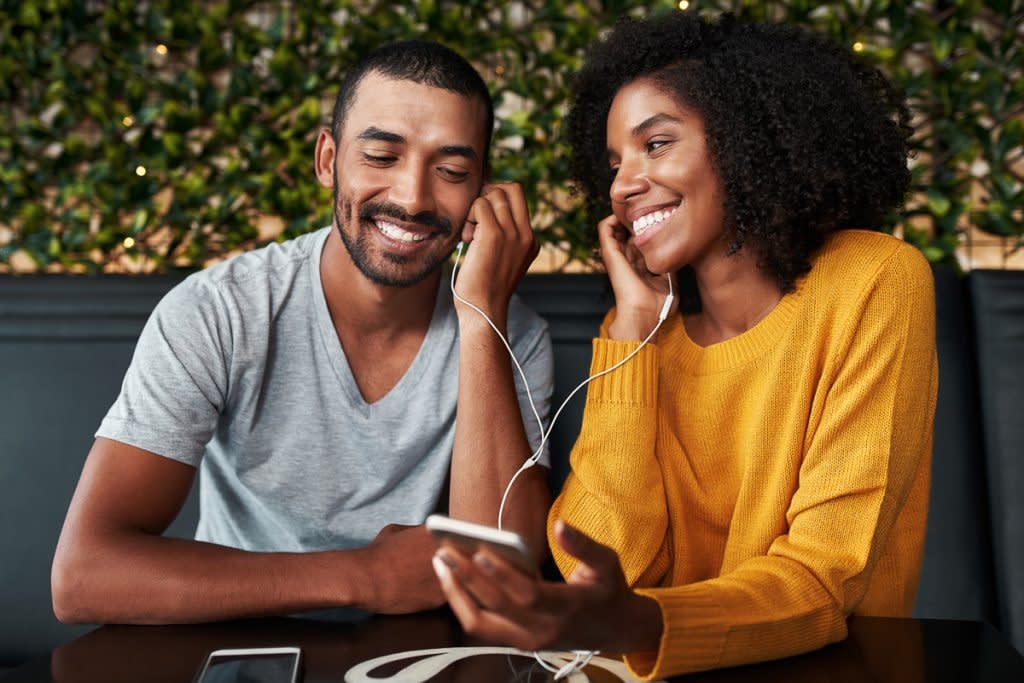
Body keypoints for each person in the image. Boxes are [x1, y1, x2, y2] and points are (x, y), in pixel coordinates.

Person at [433, 12, 937, 679]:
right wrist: (633, 329)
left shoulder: (876, 280)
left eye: (656, 144)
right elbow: (610, 565)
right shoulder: (644, 333)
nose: (623, 183)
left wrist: (642, 620)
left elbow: (824, 579)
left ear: (745, 139)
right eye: (614, 163)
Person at [51, 40, 554, 624]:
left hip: (409, 654)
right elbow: (84, 575)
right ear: (327, 161)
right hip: (238, 642)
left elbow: (505, 580)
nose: (413, 197)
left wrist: (482, 310)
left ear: (481, 192)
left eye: (451, 171)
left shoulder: (511, 332)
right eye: (381, 157)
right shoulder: (219, 310)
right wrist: (363, 577)